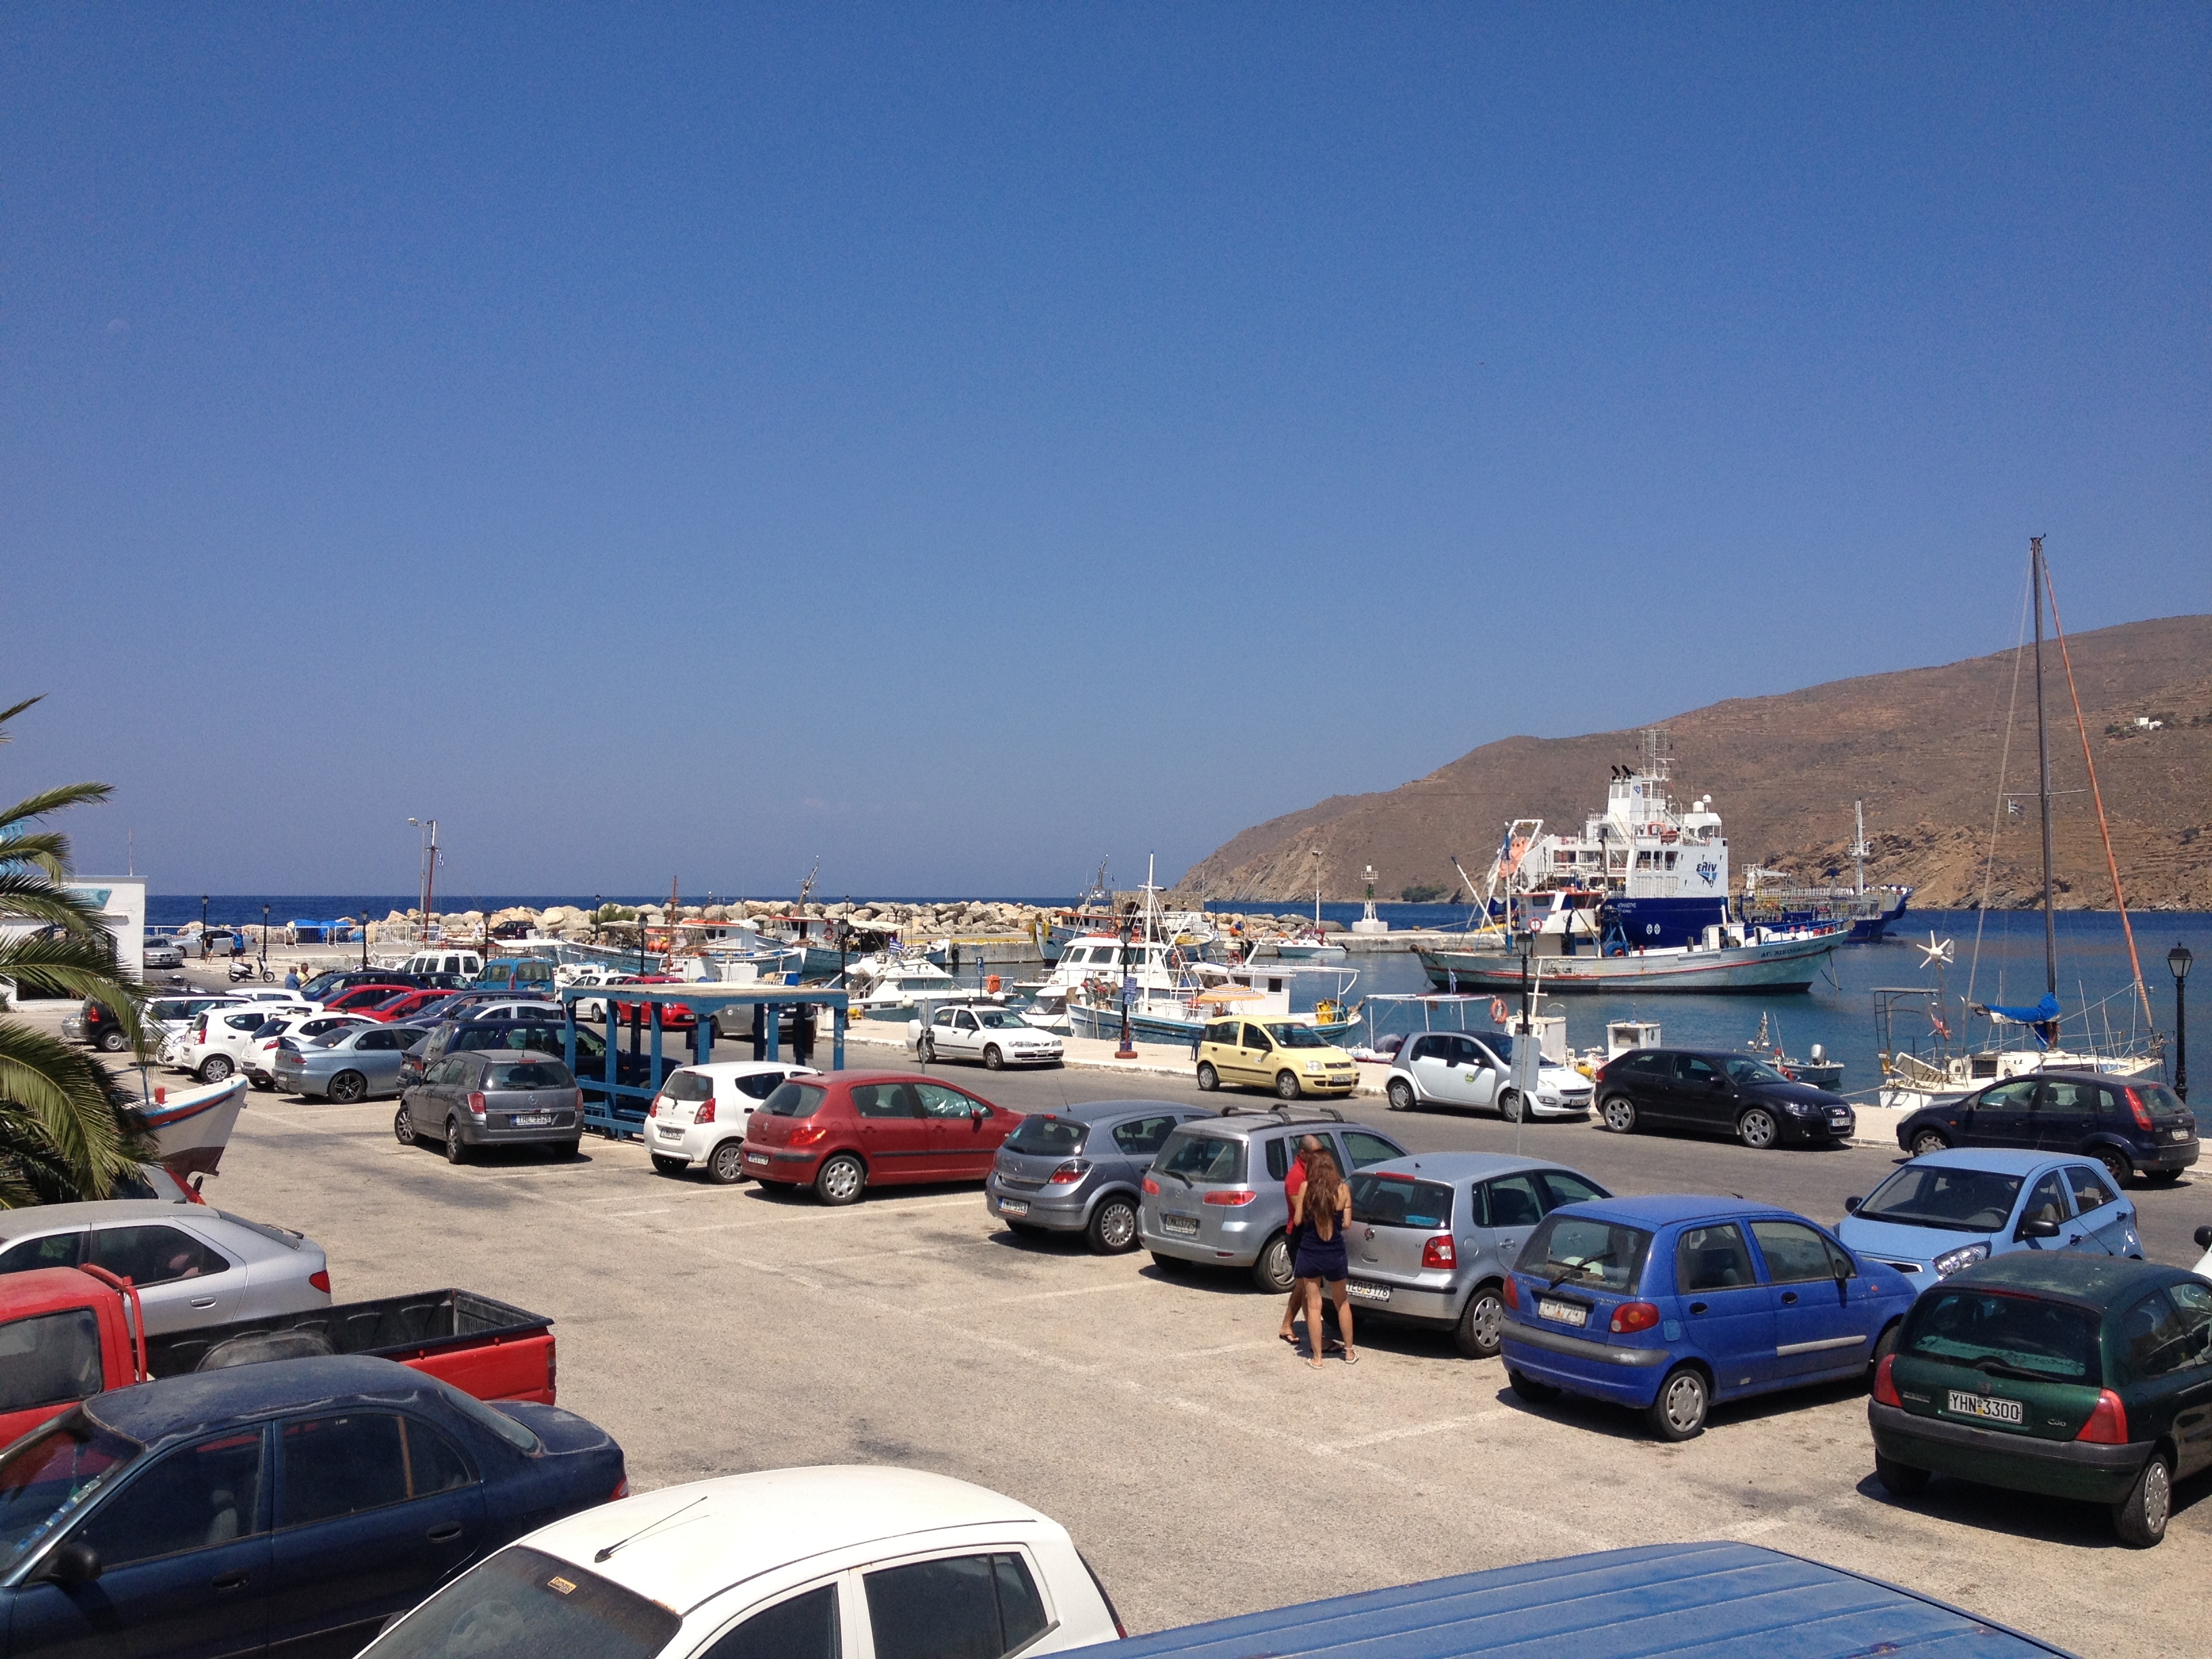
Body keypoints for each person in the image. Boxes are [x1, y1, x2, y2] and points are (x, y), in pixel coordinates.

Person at [1290, 1147, 1356, 1367]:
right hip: (1335, 1252)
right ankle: (1348, 1352)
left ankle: (1317, 1359)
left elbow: (1298, 1221)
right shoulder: (1344, 1189)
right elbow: (1346, 1224)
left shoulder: (1306, 1188)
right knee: (1342, 1301)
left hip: (1310, 1251)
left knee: (1314, 1304)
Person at [1277, 1134, 1324, 1349]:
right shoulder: (1296, 1177)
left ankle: (1287, 1325)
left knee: (1301, 1285)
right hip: (1298, 1235)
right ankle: (1316, 1340)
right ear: (1303, 1154)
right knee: (1307, 1288)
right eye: (1315, 1154)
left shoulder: (1313, 1171)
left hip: (1310, 1235)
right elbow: (1301, 1213)